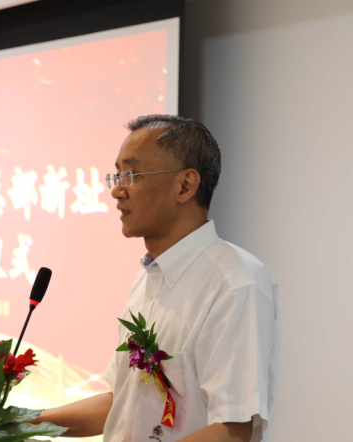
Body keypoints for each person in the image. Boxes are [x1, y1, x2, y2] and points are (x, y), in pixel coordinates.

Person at [33, 115, 280, 442]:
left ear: (185, 185)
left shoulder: (236, 283)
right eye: (117, 175)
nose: (117, 191)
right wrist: (20, 422)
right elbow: (121, 403)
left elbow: (234, 429)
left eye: (131, 175)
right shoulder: (147, 279)